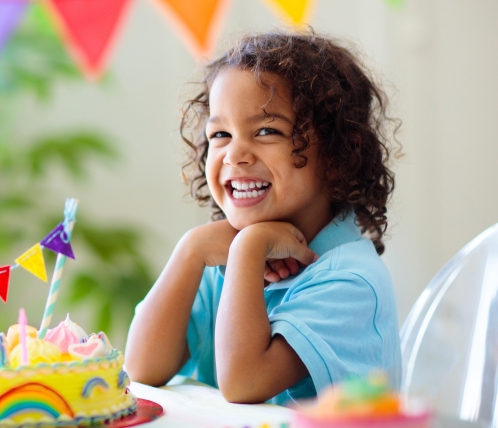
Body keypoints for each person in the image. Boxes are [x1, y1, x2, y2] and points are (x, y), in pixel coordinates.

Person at [124, 30, 402, 406]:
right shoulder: (218, 259)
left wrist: (248, 249)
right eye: (220, 133)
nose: (234, 154)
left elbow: (244, 384)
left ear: (337, 155)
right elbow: (141, 367)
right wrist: (191, 250)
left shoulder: (350, 281)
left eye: (267, 130)